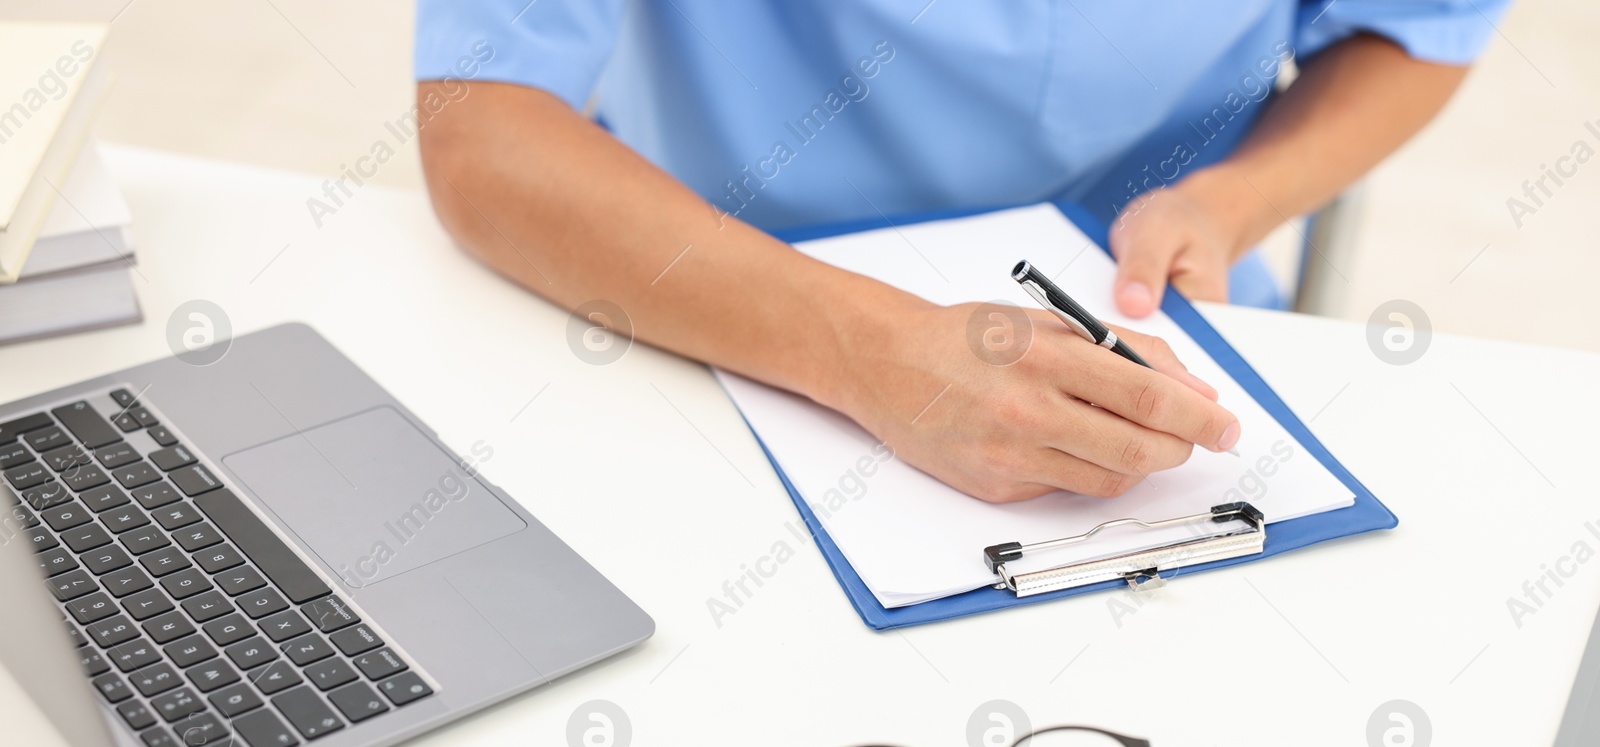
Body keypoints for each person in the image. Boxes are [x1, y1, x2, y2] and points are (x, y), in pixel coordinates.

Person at [413, 1, 1505, 502]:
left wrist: (1236, 198)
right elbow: (483, 128)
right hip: (697, 303)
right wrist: (865, 351)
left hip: (1148, 302)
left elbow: (1415, 23)